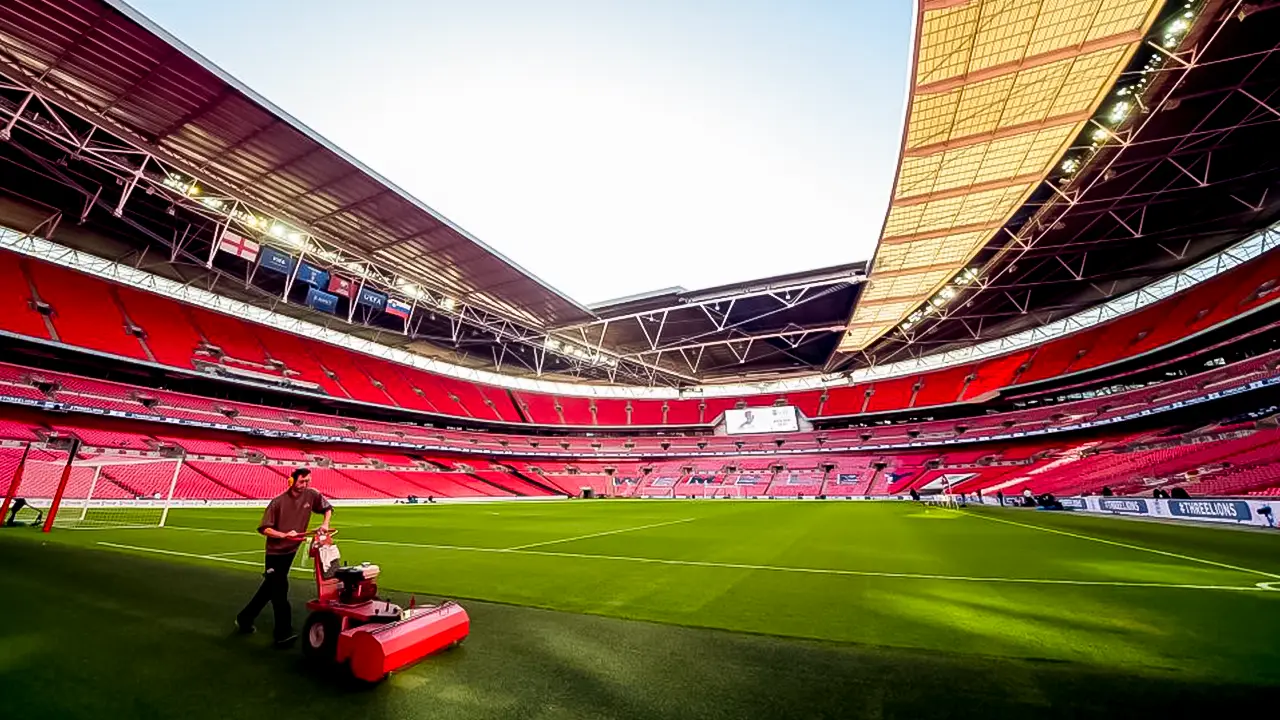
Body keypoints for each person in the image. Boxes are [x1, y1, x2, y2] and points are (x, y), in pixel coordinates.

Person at [236, 468, 332, 646]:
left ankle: (244, 618)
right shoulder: (277, 503)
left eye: (308, 481)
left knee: (268, 589)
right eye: (302, 481)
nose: (306, 485)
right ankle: (282, 634)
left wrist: (325, 524)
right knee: (279, 591)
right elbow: (265, 529)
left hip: (290, 552)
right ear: (292, 481)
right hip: (275, 554)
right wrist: (284, 535)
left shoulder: (311, 495)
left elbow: (327, 508)